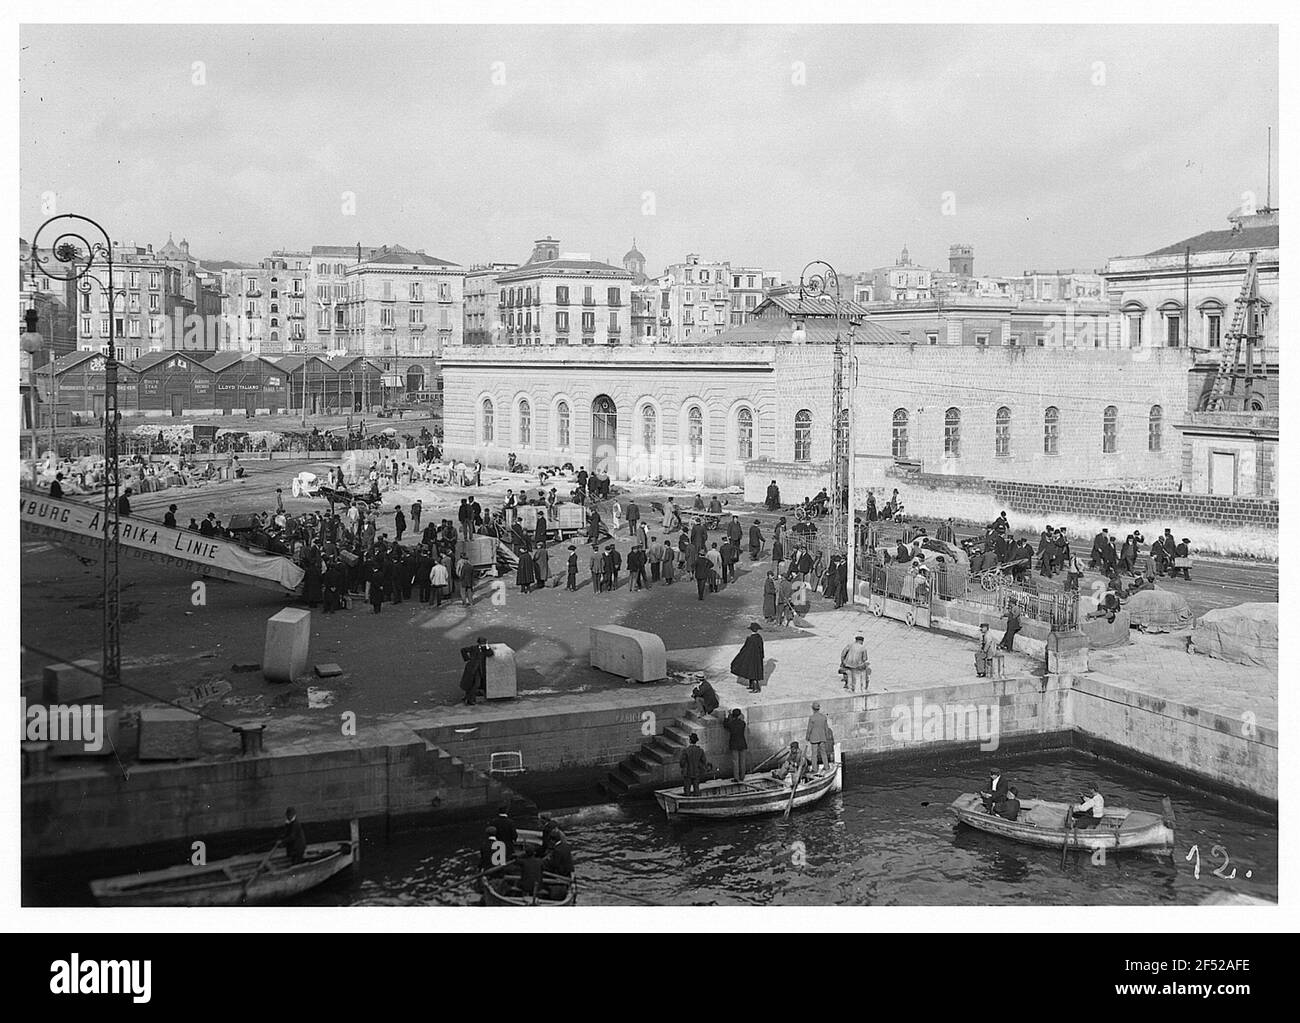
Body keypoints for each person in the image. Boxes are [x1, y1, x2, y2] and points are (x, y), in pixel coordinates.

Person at [730, 622, 765, 693]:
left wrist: (741, 655)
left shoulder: (750, 639)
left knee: (752, 672)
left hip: (750, 658)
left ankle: (755, 688)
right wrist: (761, 656)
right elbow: (761, 648)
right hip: (757, 658)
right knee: (753, 672)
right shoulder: (759, 638)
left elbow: (745, 649)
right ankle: (752, 686)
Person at [459, 637, 494, 706]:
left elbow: (490, 654)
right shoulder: (474, 648)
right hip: (472, 669)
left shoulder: (484, 649)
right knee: (475, 684)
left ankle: (468, 697)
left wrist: (487, 648)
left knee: (472, 683)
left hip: (478, 669)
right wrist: (467, 659)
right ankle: (470, 700)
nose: (484, 645)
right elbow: (463, 650)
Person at [723, 708, 748, 782]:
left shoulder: (731, 724)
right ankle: (742, 776)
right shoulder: (743, 723)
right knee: (742, 761)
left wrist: (727, 716)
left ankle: (736, 778)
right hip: (742, 744)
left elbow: (725, 724)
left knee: (735, 762)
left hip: (734, 744)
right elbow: (742, 719)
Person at [805, 702, 831, 774]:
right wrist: (826, 736)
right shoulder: (823, 717)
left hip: (814, 738)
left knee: (814, 754)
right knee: (823, 753)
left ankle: (815, 769)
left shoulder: (812, 718)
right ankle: (826, 767)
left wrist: (807, 737)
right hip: (822, 737)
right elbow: (826, 729)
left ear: (813, 709)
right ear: (819, 709)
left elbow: (809, 729)